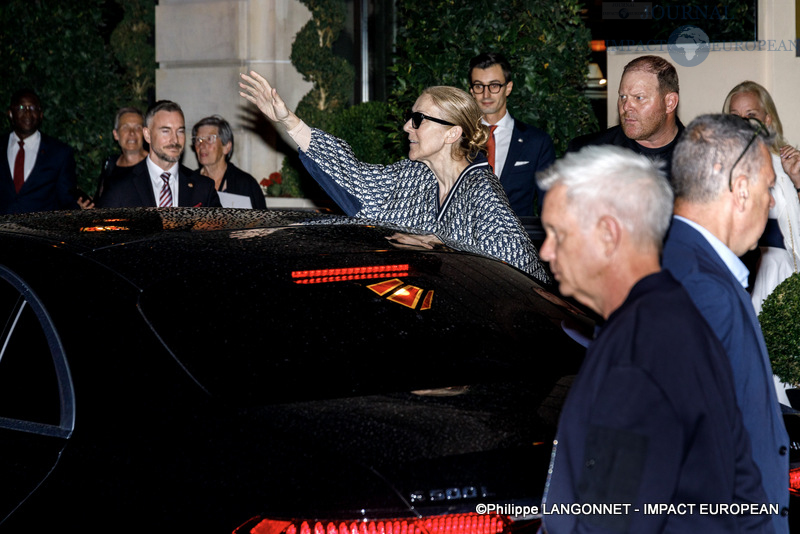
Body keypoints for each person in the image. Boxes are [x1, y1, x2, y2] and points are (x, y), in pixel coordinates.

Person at [537, 145, 772, 534]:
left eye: (557, 234)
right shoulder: (675, 316)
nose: (546, 251)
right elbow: (745, 494)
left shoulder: (639, 349)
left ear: (608, 235)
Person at [238, 71, 550, 283]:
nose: (406, 127)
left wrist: (445, 247)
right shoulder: (414, 174)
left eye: (418, 120)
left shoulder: (481, 189)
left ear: (452, 133)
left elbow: (522, 267)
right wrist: (280, 231)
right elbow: (355, 178)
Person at [662, 113, 790, 533]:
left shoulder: (678, 265)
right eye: (768, 187)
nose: (771, 201)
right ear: (739, 189)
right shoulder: (703, 290)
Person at [723, 81, 800, 315]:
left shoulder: (785, 164)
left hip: (781, 275)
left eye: (751, 115)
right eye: (736, 116)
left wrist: (798, 181)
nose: (744, 123)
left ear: (767, 120)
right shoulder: (718, 167)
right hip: (736, 277)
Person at [567, 55, 684, 181]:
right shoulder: (586, 154)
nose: (626, 106)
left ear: (670, 103)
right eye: (623, 97)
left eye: (639, 98)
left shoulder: (703, 158)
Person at [468, 52, 555, 217]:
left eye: (494, 85)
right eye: (479, 86)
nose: (486, 95)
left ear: (508, 88)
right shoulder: (458, 140)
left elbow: (550, 208)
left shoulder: (537, 142)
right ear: (472, 91)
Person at [96, 100, 221, 209]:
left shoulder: (203, 187)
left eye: (180, 131)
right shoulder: (120, 188)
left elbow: (220, 234)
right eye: (166, 131)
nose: (175, 140)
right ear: (147, 135)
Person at [1, 88, 79, 214]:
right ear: (10, 113)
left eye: (33, 108)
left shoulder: (59, 153)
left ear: (41, 114)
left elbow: (66, 201)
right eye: (21, 107)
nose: (27, 113)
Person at [191, 114, 266, 209]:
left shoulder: (245, 184)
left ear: (226, 147)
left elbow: (262, 221)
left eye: (210, 139)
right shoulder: (189, 182)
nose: (201, 145)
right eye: (198, 140)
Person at [94, 107, 149, 203]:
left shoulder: (155, 166)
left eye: (137, 128)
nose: (132, 133)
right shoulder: (110, 164)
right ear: (116, 134)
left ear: (145, 134)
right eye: (125, 128)